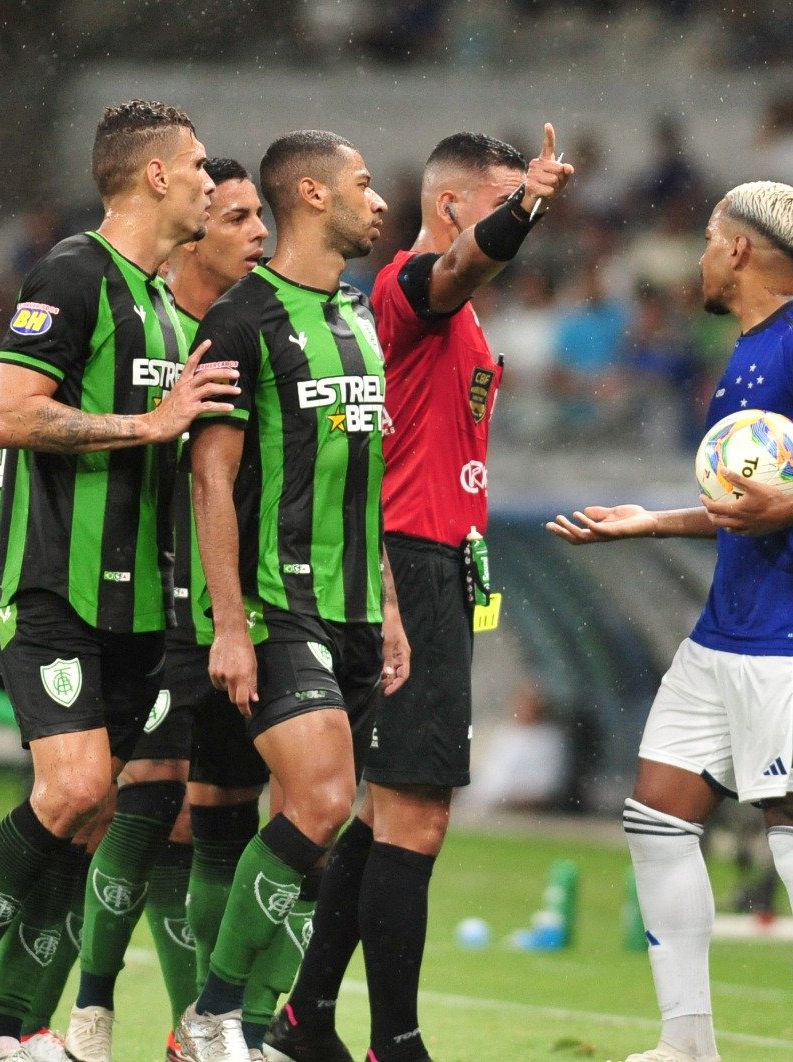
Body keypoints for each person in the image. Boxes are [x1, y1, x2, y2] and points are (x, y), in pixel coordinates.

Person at [548, 181, 793, 1062]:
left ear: (742, 250)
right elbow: (745, 503)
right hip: (726, 628)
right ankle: (687, 1045)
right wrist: (657, 520)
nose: (703, 257)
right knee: (656, 816)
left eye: (711, 238)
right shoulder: (749, 350)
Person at [0, 99, 236, 1062]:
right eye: (201, 165)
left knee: (93, 816)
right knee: (77, 786)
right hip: (52, 586)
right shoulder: (72, 272)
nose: (214, 182)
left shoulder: (169, 305)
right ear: (158, 177)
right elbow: (9, 414)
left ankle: (11, 1030)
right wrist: (145, 425)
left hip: (139, 607)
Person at [269, 127, 571, 1062]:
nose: (526, 218)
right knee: (416, 814)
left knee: (384, 811)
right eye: (504, 199)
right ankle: (392, 1044)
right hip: (409, 563)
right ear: (454, 208)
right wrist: (521, 212)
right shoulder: (410, 289)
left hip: (434, 565)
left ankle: (305, 1020)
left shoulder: (457, 316)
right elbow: (455, 273)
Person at [0, 156, 265, 1062]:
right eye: (235, 215)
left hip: (168, 604)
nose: (255, 235)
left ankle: (42, 1025)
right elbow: (17, 415)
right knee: (109, 804)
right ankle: (31, 1011)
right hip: (106, 600)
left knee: (127, 813)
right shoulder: (113, 299)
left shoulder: (200, 324)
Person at [178, 130, 410, 1062]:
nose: (379, 200)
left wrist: (389, 606)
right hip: (279, 608)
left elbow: (367, 480)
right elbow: (211, 477)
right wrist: (229, 624)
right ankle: (213, 1016)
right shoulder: (241, 321)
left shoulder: (356, 320)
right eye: (364, 184)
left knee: (310, 826)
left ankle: (261, 1031)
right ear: (310, 195)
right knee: (319, 801)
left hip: (355, 610)